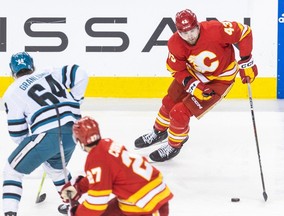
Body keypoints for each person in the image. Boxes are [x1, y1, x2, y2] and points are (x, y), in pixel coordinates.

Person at [134, 9, 258, 162]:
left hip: (220, 80)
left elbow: (244, 32)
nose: (190, 36)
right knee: (168, 102)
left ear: (198, 25)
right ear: (178, 31)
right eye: (184, 33)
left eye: (192, 30)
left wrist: (246, 61)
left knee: (179, 113)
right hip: (194, 74)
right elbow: (176, 69)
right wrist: (193, 85)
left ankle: (174, 145)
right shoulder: (175, 43)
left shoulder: (215, 29)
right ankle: (159, 132)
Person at [2, 52, 88, 216]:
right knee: (56, 169)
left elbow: (17, 133)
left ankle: (9, 213)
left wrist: (37, 149)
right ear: (32, 67)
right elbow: (80, 73)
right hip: (74, 132)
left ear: (12, 72)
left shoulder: (11, 92)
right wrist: (75, 101)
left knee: (12, 170)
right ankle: (73, 204)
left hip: (47, 134)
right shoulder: (48, 72)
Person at [60, 116, 173, 216]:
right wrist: (79, 187)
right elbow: (102, 175)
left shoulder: (96, 159)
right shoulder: (107, 144)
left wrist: (77, 213)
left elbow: (96, 204)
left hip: (151, 206)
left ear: (79, 140)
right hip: (141, 199)